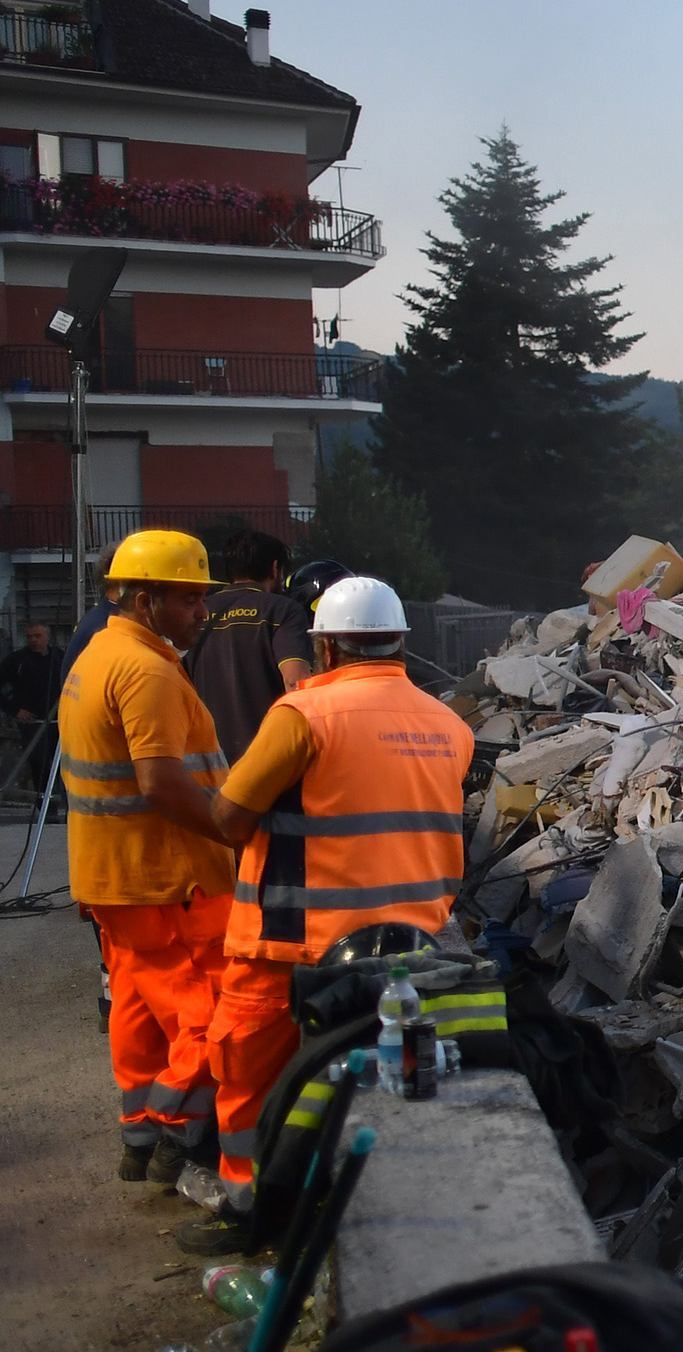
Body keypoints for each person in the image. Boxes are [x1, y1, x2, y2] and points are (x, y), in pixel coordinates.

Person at [174, 575, 469, 1254]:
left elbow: (228, 816)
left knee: (245, 1072)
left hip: (292, 942)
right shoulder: (448, 724)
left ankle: (251, 1210)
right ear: (399, 643)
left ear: (328, 647)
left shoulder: (303, 715)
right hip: (407, 947)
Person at [57, 530, 234, 1197]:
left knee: (137, 1008)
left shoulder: (98, 654)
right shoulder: (147, 670)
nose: (201, 612)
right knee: (212, 1009)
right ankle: (170, 1131)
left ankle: (137, 1132)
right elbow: (160, 781)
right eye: (188, 598)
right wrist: (232, 827)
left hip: (116, 879)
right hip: (168, 880)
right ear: (142, 597)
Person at [188, 532, 316, 761]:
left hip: (209, 761)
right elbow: (295, 683)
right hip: (268, 761)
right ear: (275, 569)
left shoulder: (198, 613)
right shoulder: (283, 610)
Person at [3, 621, 62, 785]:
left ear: (47, 637)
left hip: (58, 720)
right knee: (39, 763)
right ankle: (42, 802)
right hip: (32, 722)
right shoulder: (16, 661)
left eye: (38, 636)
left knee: (60, 764)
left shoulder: (58, 657)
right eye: (30, 637)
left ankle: (58, 803)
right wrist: (14, 710)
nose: (34, 640)